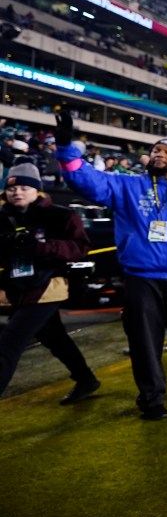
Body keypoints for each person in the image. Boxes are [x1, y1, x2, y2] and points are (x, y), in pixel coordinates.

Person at [54, 120, 167, 420]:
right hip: (141, 279)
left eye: (165, 151)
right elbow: (85, 180)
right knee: (144, 342)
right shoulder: (128, 186)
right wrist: (66, 148)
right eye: (154, 150)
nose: (157, 154)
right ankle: (151, 398)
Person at [0, 161, 101, 405]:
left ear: (38, 190)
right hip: (16, 289)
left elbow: (81, 248)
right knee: (53, 337)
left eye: (25, 187)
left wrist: (42, 248)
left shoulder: (60, 215)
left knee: (8, 344)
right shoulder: (2, 218)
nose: (17, 192)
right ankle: (86, 379)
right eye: (13, 188)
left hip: (47, 288)